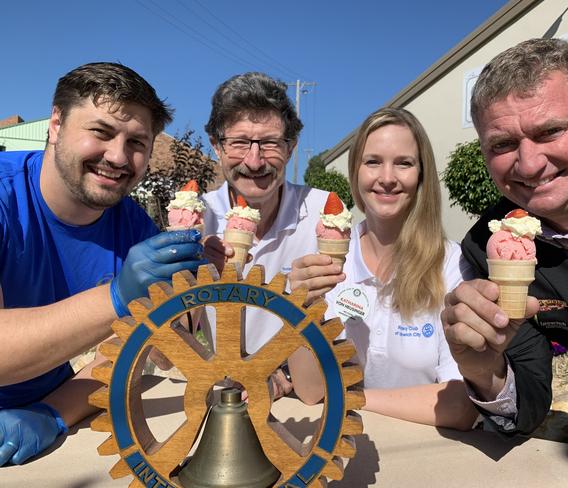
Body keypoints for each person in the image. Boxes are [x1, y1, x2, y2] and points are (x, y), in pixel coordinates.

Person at [441, 38, 568, 487]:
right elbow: (529, 397)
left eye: (549, 131)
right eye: (502, 143)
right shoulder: (486, 245)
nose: (530, 163)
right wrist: (483, 370)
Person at [0, 62, 205, 466]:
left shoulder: (134, 226)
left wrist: (54, 412)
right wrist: (116, 296)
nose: (117, 156)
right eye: (101, 132)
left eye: (136, 142)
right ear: (56, 125)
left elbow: (141, 355)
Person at [291, 107, 477, 429]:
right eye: (373, 161)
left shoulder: (451, 265)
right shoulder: (326, 263)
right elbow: (309, 391)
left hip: (424, 452)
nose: (387, 178)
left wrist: (350, 398)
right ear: (356, 172)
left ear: (421, 176)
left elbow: (460, 406)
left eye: (403, 163)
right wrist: (301, 307)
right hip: (342, 444)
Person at [201, 72, 344, 394]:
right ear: (216, 147)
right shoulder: (199, 219)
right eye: (239, 143)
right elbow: (165, 352)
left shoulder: (325, 216)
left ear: (291, 148)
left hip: (305, 394)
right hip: (216, 391)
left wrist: (282, 375)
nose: (254, 161)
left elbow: (340, 322)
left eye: (269, 143)